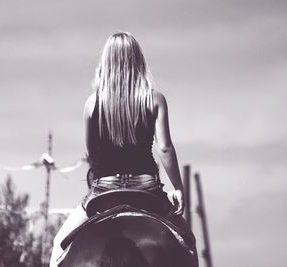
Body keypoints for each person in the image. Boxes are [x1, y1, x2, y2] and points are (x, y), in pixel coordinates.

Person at [50, 32, 188, 267]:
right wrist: (178, 187)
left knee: (57, 248)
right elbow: (164, 149)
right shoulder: (154, 100)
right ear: (137, 60)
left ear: (106, 62)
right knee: (187, 245)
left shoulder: (92, 103)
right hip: (146, 188)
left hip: (105, 189)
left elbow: (93, 155)